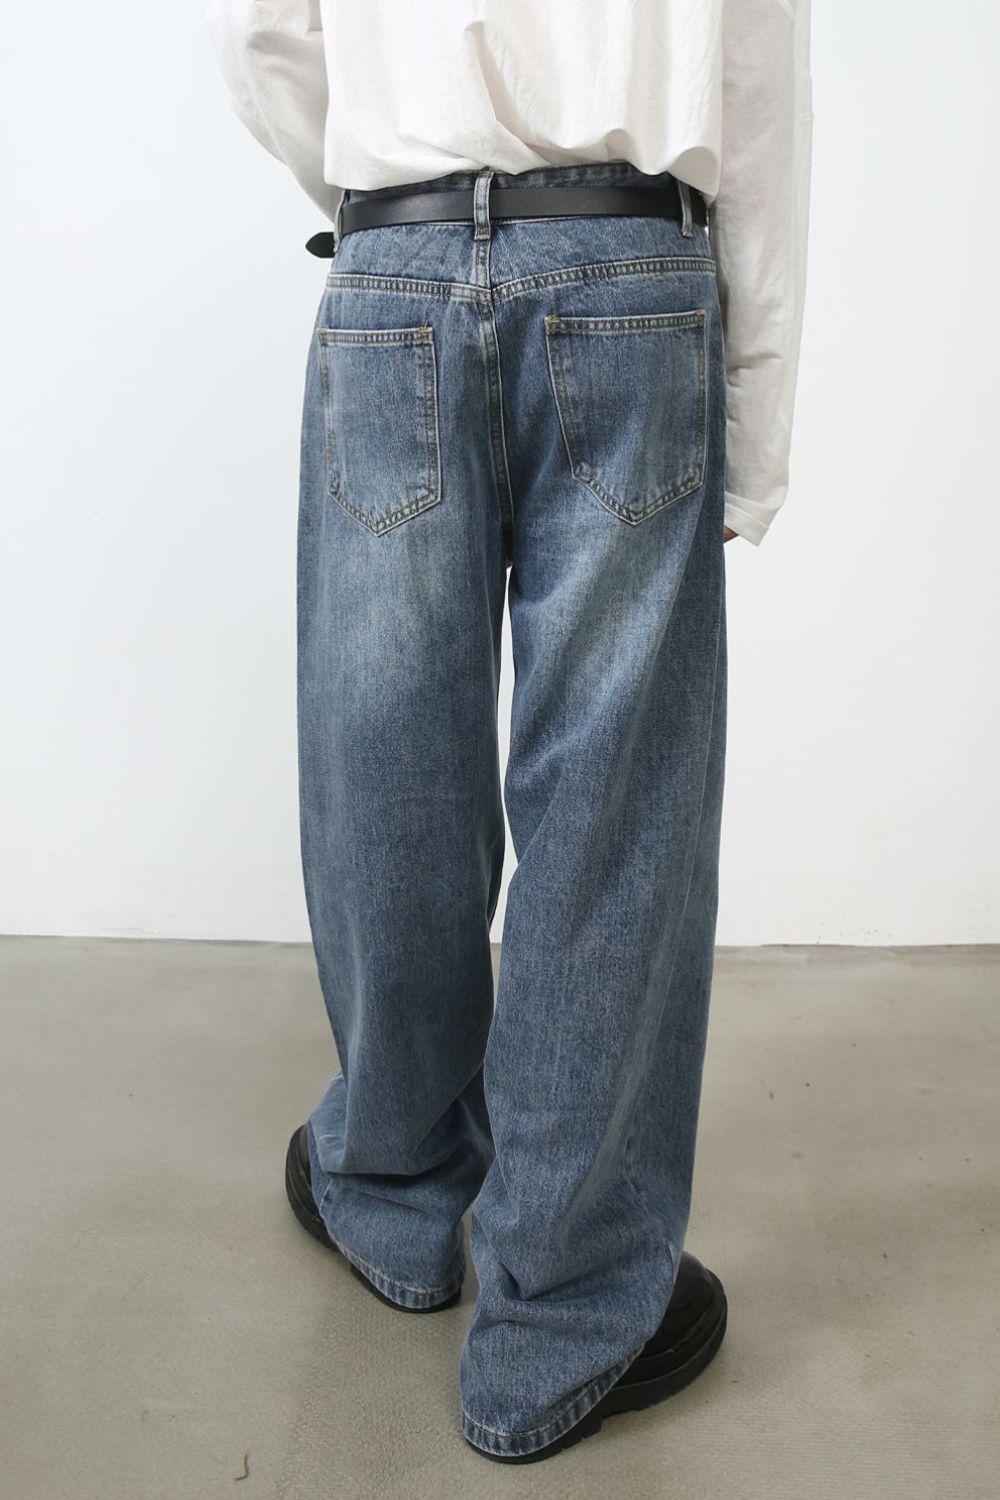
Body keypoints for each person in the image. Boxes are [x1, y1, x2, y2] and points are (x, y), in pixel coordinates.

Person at [204, 0, 813, 1465]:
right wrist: (757, 431)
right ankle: (567, 1312)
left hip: (394, 259)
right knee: (613, 796)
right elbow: (755, 86)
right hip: (628, 262)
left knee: (382, 760)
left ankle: (394, 1188)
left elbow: (265, 33)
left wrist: (394, 185)